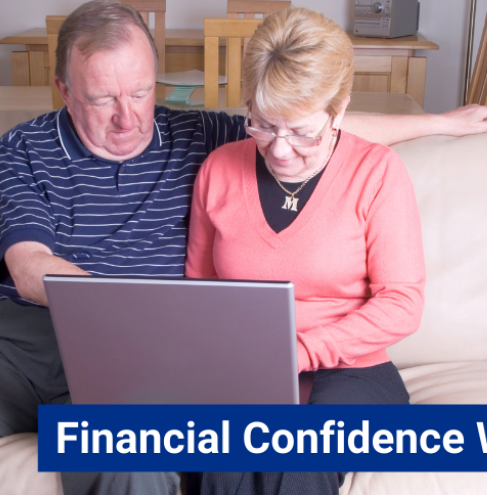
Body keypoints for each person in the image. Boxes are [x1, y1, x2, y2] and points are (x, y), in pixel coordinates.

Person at [0, 1, 487, 494]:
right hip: (20, 344)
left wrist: (441, 122)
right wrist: (147, 314)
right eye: (102, 98)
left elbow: (299, 120)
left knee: (134, 458)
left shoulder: (202, 136)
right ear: (64, 91)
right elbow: (28, 269)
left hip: (134, 360)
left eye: (140, 92)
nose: (127, 117)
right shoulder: (25, 148)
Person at [184, 7, 423, 494]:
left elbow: (403, 302)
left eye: (302, 131)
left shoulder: (377, 171)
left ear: (340, 109)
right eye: (263, 125)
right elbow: (199, 294)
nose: (280, 149)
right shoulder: (218, 170)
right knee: (218, 458)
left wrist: (300, 351)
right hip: (245, 363)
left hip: (354, 368)